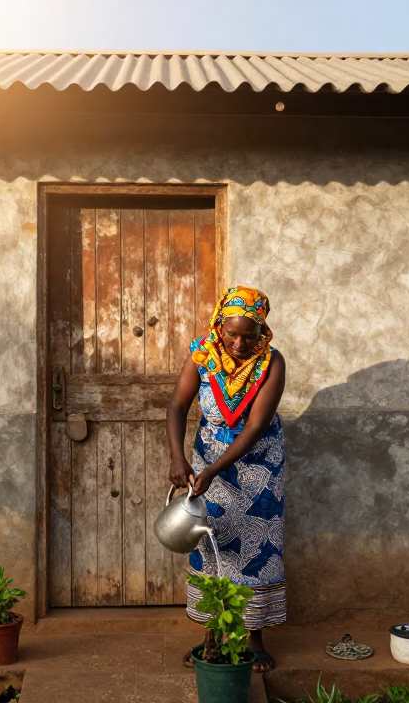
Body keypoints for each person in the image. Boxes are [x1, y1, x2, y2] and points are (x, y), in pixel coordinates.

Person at [166, 285, 287, 673]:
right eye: (231, 334)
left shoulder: (272, 362)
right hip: (207, 460)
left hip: (260, 465)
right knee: (211, 541)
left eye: (249, 336)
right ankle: (211, 636)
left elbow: (254, 427)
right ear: (219, 325)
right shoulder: (202, 354)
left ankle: (255, 637)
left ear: (261, 331)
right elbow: (177, 405)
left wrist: (212, 470)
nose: (239, 343)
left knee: (256, 545)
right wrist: (178, 457)